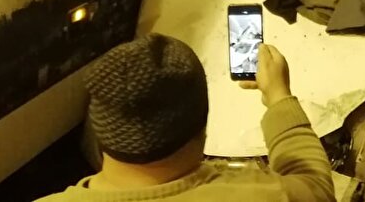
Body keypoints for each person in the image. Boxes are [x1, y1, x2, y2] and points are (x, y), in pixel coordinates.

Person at [37, 35, 335, 202]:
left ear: (99, 132)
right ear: (203, 128)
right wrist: (279, 96)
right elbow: (317, 188)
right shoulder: (262, 196)